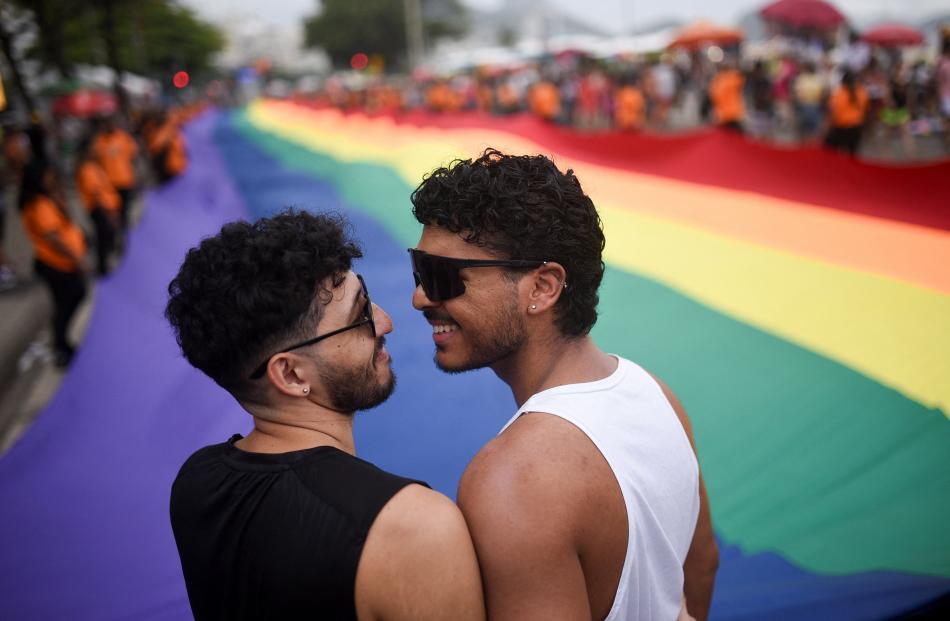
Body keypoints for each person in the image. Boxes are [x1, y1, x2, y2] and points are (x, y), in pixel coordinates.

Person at [408, 150, 718, 621]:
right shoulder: (655, 393)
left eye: (442, 277)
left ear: (543, 288)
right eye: (419, 269)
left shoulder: (514, 478)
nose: (418, 297)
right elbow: (700, 569)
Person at [165, 210, 484, 621]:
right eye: (360, 316)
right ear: (290, 373)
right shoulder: (411, 527)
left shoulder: (195, 482)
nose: (385, 322)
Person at [18, 160, 89, 367]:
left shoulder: (47, 199)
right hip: (56, 265)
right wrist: (77, 258)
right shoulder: (39, 205)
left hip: (61, 263)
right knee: (68, 301)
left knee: (66, 301)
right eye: (48, 176)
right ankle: (60, 346)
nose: (52, 179)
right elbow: (53, 238)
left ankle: (61, 342)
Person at [75, 136, 120, 275]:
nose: (96, 150)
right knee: (102, 239)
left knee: (105, 238)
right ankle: (102, 269)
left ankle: (104, 266)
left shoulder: (94, 166)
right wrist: (109, 215)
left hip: (105, 209)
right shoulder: (87, 169)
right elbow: (96, 195)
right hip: (99, 210)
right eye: (92, 148)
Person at [92, 116, 138, 232]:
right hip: (109, 183)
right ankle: (116, 233)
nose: (109, 125)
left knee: (125, 210)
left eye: (111, 123)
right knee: (112, 212)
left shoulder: (123, 137)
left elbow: (133, 155)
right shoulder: (99, 140)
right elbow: (96, 160)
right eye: (106, 123)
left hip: (125, 180)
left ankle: (125, 232)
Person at [824, 70, 869, 156]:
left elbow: (833, 113)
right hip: (856, 127)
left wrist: (827, 128)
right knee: (852, 154)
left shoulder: (839, 93)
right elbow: (865, 110)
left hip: (841, 127)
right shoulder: (862, 92)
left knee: (832, 154)